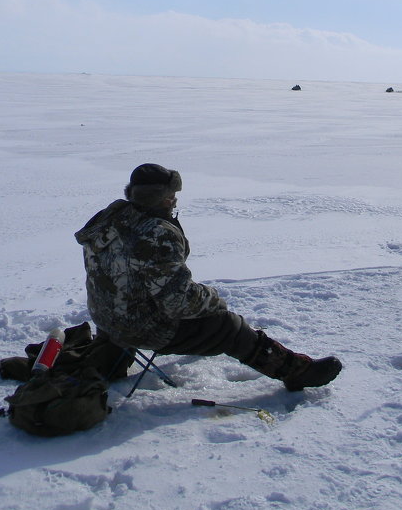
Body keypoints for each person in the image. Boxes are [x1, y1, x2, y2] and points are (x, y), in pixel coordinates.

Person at [75, 163, 342, 391]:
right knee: (228, 325)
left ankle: (110, 359)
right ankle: (294, 372)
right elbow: (178, 302)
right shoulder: (157, 233)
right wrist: (214, 300)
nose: (176, 200)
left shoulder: (111, 218)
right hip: (139, 326)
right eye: (173, 195)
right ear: (165, 199)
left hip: (107, 317)